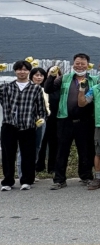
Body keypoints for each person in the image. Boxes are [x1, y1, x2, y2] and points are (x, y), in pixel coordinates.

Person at [45, 53, 96, 190]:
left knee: (85, 150)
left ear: (88, 65)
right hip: (65, 120)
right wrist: (51, 76)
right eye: (77, 63)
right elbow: (48, 89)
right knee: (62, 151)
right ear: (73, 64)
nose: (80, 66)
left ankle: (86, 176)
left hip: (85, 121)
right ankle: (59, 179)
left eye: (83, 64)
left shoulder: (94, 80)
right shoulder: (64, 78)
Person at [1, 61, 48, 191]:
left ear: (29, 71)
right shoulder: (6, 87)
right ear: (15, 71)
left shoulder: (35, 88)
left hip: (28, 125)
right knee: (8, 154)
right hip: (9, 124)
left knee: (28, 154)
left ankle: (27, 180)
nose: (22, 72)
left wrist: (41, 119)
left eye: (25, 69)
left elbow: (41, 107)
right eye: (19, 69)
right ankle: (8, 181)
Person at [17, 67, 50, 180]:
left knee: (37, 147)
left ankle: (30, 174)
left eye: (41, 75)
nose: (39, 77)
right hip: (26, 122)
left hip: (41, 121)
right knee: (23, 148)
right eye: (36, 75)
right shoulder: (26, 88)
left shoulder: (44, 90)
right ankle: (21, 174)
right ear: (31, 76)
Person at [36, 65, 60, 174]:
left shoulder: (60, 88)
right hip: (42, 119)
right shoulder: (41, 87)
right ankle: (39, 166)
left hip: (56, 119)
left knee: (54, 144)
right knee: (41, 143)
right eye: (51, 73)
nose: (54, 75)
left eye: (56, 74)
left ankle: (52, 168)